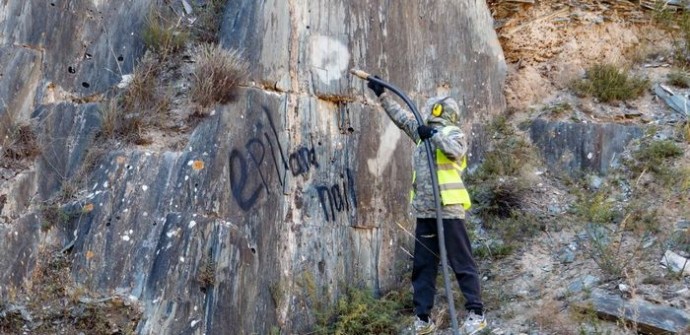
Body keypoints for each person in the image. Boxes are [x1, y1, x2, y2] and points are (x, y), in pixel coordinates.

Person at [367, 79, 486, 335]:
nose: (430, 123)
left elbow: (454, 150)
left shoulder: (454, 134)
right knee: (423, 267)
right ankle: (423, 319)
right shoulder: (421, 135)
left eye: (433, 119)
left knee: (461, 262)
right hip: (426, 213)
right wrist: (383, 95)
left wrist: (433, 134)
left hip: (449, 211)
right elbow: (402, 118)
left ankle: (476, 313)